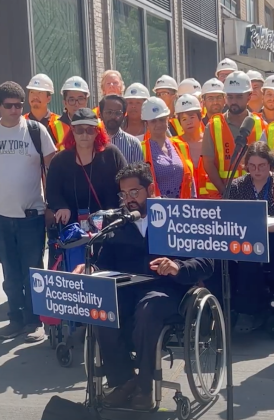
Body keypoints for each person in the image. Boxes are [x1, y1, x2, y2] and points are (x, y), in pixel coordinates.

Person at [74, 162, 214, 410]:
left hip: (168, 291)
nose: (128, 199)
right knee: (100, 309)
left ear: (150, 189)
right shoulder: (118, 224)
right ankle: (125, 380)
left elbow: (206, 262)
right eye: (123, 194)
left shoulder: (176, 217)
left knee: (149, 308)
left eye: (134, 192)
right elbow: (102, 263)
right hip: (128, 291)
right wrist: (90, 269)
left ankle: (146, 385)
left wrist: (177, 267)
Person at [0, 81, 56, 341]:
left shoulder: (36, 131)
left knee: (32, 271)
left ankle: (34, 321)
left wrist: (51, 205)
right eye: (9, 105)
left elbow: (51, 171)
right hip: (2, 218)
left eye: (18, 105)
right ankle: (16, 318)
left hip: (31, 217)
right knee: (10, 274)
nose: (14, 110)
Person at [46, 108, 126, 227]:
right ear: (72, 130)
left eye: (90, 130)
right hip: (72, 228)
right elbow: (52, 192)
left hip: (109, 226)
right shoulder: (59, 160)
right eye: (79, 130)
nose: (84, 135)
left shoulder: (111, 154)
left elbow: (126, 181)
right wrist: (61, 206)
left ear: (97, 131)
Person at [229, 141, 274, 333]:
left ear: (269, 164)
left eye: (262, 165)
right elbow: (230, 215)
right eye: (252, 166)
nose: (257, 170)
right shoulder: (238, 185)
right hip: (246, 239)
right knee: (246, 262)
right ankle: (248, 312)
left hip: (272, 238)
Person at [202, 71, 267, 199]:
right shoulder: (213, 126)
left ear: (249, 96)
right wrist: (226, 192)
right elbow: (208, 163)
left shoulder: (261, 125)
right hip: (222, 197)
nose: (233, 101)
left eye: (238, 97)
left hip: (255, 198)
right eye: (230, 97)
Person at [141, 97, 194, 198]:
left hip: (183, 208)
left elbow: (190, 180)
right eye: (153, 121)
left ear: (167, 119)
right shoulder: (141, 149)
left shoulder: (181, 145)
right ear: (146, 124)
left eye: (161, 119)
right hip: (158, 209)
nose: (158, 124)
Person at [175, 94, 208, 198]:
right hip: (187, 204)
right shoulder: (174, 144)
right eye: (184, 119)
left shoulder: (211, 141)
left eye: (192, 117)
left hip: (212, 202)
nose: (189, 122)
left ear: (200, 117)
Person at [99, 94, 143, 163]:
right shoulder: (93, 141)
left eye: (117, 113)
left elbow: (139, 172)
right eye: (109, 112)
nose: (113, 116)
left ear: (123, 115)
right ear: (100, 114)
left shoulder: (133, 144)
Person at [51, 76, 90, 149]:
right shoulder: (53, 127)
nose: (76, 104)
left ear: (86, 101)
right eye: (72, 100)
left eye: (80, 99)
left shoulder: (97, 125)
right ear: (65, 102)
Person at [24, 73, 59, 145]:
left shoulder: (59, 123)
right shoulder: (21, 122)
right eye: (32, 92)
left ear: (48, 98)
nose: (35, 96)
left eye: (40, 93)